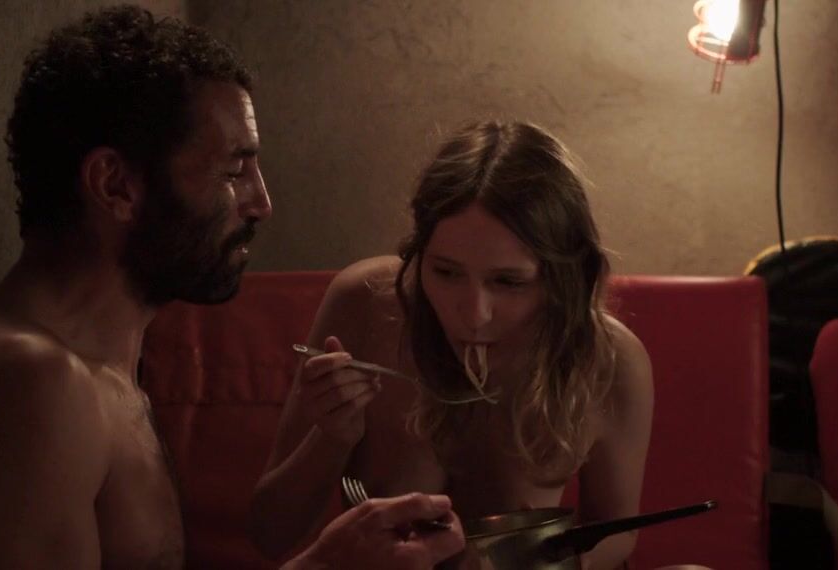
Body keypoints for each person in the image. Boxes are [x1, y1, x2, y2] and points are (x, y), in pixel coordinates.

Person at [0, 6, 464, 569]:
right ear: (116, 185)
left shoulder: (96, 364)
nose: (261, 203)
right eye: (234, 170)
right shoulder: (26, 384)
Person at [252, 121, 655, 569]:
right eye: (446, 272)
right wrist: (330, 437)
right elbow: (270, 535)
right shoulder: (365, 305)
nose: (474, 314)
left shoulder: (607, 359)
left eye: (508, 282)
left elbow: (619, 532)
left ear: (563, 278)